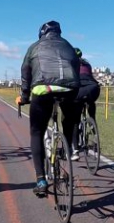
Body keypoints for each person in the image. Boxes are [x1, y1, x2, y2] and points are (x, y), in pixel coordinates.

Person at [15, 20, 81, 195]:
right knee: (69, 120)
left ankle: (41, 180)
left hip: (43, 89)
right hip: (70, 89)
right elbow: (76, 68)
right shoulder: (69, 45)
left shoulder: (34, 47)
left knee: (37, 132)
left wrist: (24, 97)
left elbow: (25, 72)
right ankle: (66, 146)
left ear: (41, 34)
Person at [73, 48, 101, 159]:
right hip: (94, 88)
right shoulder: (87, 64)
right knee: (91, 111)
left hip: (80, 89)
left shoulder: (71, 64)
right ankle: (95, 136)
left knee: (75, 120)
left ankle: (75, 150)